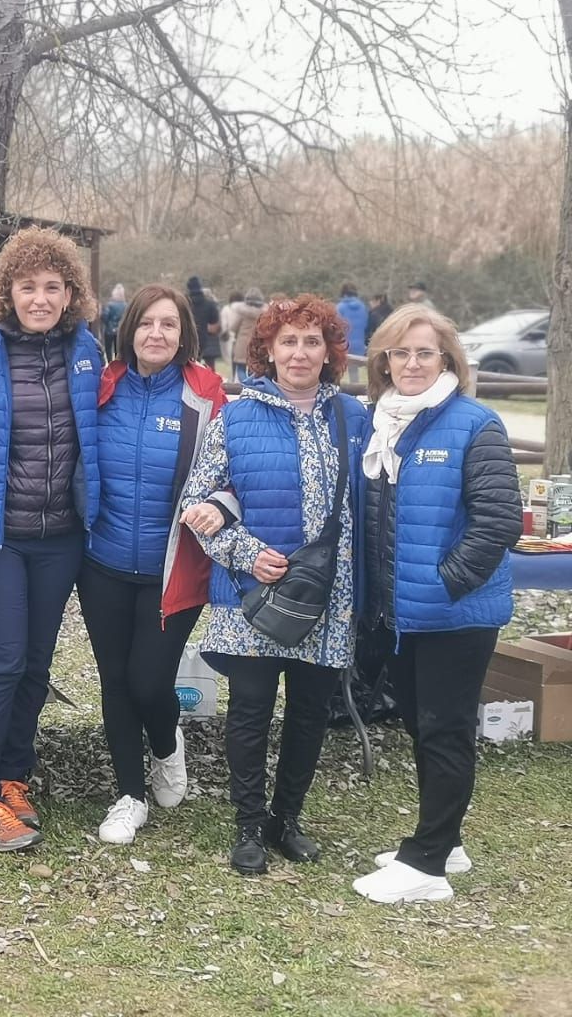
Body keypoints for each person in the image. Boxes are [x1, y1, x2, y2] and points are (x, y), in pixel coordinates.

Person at [179, 294, 369, 876]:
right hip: (253, 594)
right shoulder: (236, 418)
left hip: (329, 596)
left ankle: (287, 819)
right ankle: (249, 824)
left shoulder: (355, 418)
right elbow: (197, 503)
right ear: (267, 350)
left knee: (310, 711)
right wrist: (246, 553)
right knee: (251, 710)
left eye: (313, 341)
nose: (300, 352)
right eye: (288, 341)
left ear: (330, 351)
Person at [351, 306, 519, 904]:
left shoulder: (475, 424)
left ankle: (425, 863)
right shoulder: (381, 423)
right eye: (400, 353)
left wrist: (446, 584)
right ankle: (446, 841)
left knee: (445, 730)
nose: (412, 363)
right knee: (422, 726)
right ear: (384, 361)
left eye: (425, 352)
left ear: (447, 359)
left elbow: (498, 521)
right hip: (401, 616)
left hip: (453, 613)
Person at [0, 227, 101, 852]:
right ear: (6, 293)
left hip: (61, 536)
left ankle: (13, 776)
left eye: (52, 287)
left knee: (37, 665)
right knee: (2, 662)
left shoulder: (88, 352)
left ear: (70, 294)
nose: (40, 298)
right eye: (27, 287)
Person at [77, 285, 226, 845]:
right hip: (103, 562)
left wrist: (219, 505)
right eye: (146, 323)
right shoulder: (102, 387)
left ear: (184, 334)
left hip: (174, 568)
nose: (156, 334)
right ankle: (129, 796)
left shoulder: (204, 394)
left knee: (149, 681)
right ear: (129, 330)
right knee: (115, 681)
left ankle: (166, 744)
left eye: (168, 324)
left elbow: (230, 471)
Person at [186, 277, 223, 371]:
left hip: (188, 339)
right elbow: (215, 323)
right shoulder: (209, 305)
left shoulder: (185, 304)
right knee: (210, 368)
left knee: (190, 367)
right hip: (205, 339)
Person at [229, 288, 264, 382]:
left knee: (240, 368)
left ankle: (245, 384)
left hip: (242, 343)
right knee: (254, 368)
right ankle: (252, 383)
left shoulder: (242, 313)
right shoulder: (263, 314)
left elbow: (233, 327)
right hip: (257, 342)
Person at [337, 285, 369, 384]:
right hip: (359, 344)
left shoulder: (340, 307)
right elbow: (366, 324)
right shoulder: (363, 307)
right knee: (354, 369)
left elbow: (337, 326)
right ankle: (355, 386)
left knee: (338, 369)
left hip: (344, 343)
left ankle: (337, 388)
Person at [102, 284, 127, 361]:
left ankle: (110, 362)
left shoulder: (110, 305)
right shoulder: (125, 306)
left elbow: (105, 316)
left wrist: (107, 324)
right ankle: (117, 363)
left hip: (109, 330)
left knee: (108, 348)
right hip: (120, 330)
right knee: (118, 349)